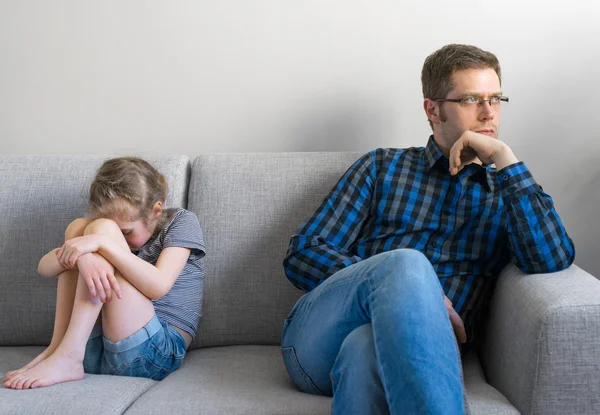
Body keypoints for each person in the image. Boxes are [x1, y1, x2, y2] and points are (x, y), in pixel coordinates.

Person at [281, 44, 575, 415]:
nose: (488, 113)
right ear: (432, 109)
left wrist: (504, 158)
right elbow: (303, 252)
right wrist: (411, 290)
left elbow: (550, 261)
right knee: (405, 265)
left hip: (409, 350)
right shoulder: (382, 166)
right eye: (471, 99)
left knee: (365, 347)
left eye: (496, 99)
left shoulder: (509, 191)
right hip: (316, 343)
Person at [3, 157, 205, 389]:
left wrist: (101, 242)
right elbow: (44, 268)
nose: (122, 238)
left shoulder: (181, 221)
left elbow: (158, 286)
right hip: (96, 349)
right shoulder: (97, 232)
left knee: (96, 230)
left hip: (154, 352)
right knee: (79, 227)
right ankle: (59, 348)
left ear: (156, 210)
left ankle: (67, 355)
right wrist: (84, 256)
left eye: (126, 232)